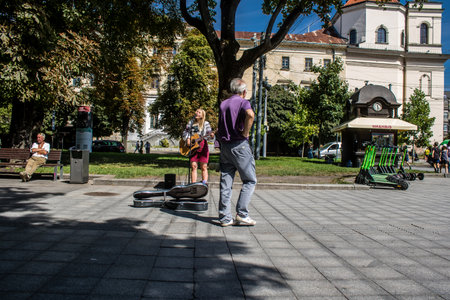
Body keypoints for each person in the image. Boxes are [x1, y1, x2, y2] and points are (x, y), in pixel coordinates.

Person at [216, 78, 257, 227]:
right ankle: (242, 214)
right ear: (244, 92)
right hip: (239, 145)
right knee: (250, 180)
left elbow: (219, 127)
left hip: (225, 147)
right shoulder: (243, 102)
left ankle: (225, 217)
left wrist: (218, 143)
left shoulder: (223, 103)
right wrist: (246, 132)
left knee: (226, 182)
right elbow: (250, 115)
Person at [182, 108, 214, 184]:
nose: (196, 113)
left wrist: (211, 136)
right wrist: (188, 139)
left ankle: (204, 183)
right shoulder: (191, 123)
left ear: (202, 115)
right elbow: (185, 132)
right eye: (196, 111)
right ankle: (193, 184)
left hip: (203, 146)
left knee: (204, 166)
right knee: (193, 166)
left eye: (199, 112)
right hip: (193, 147)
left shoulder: (206, 123)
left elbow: (209, 135)